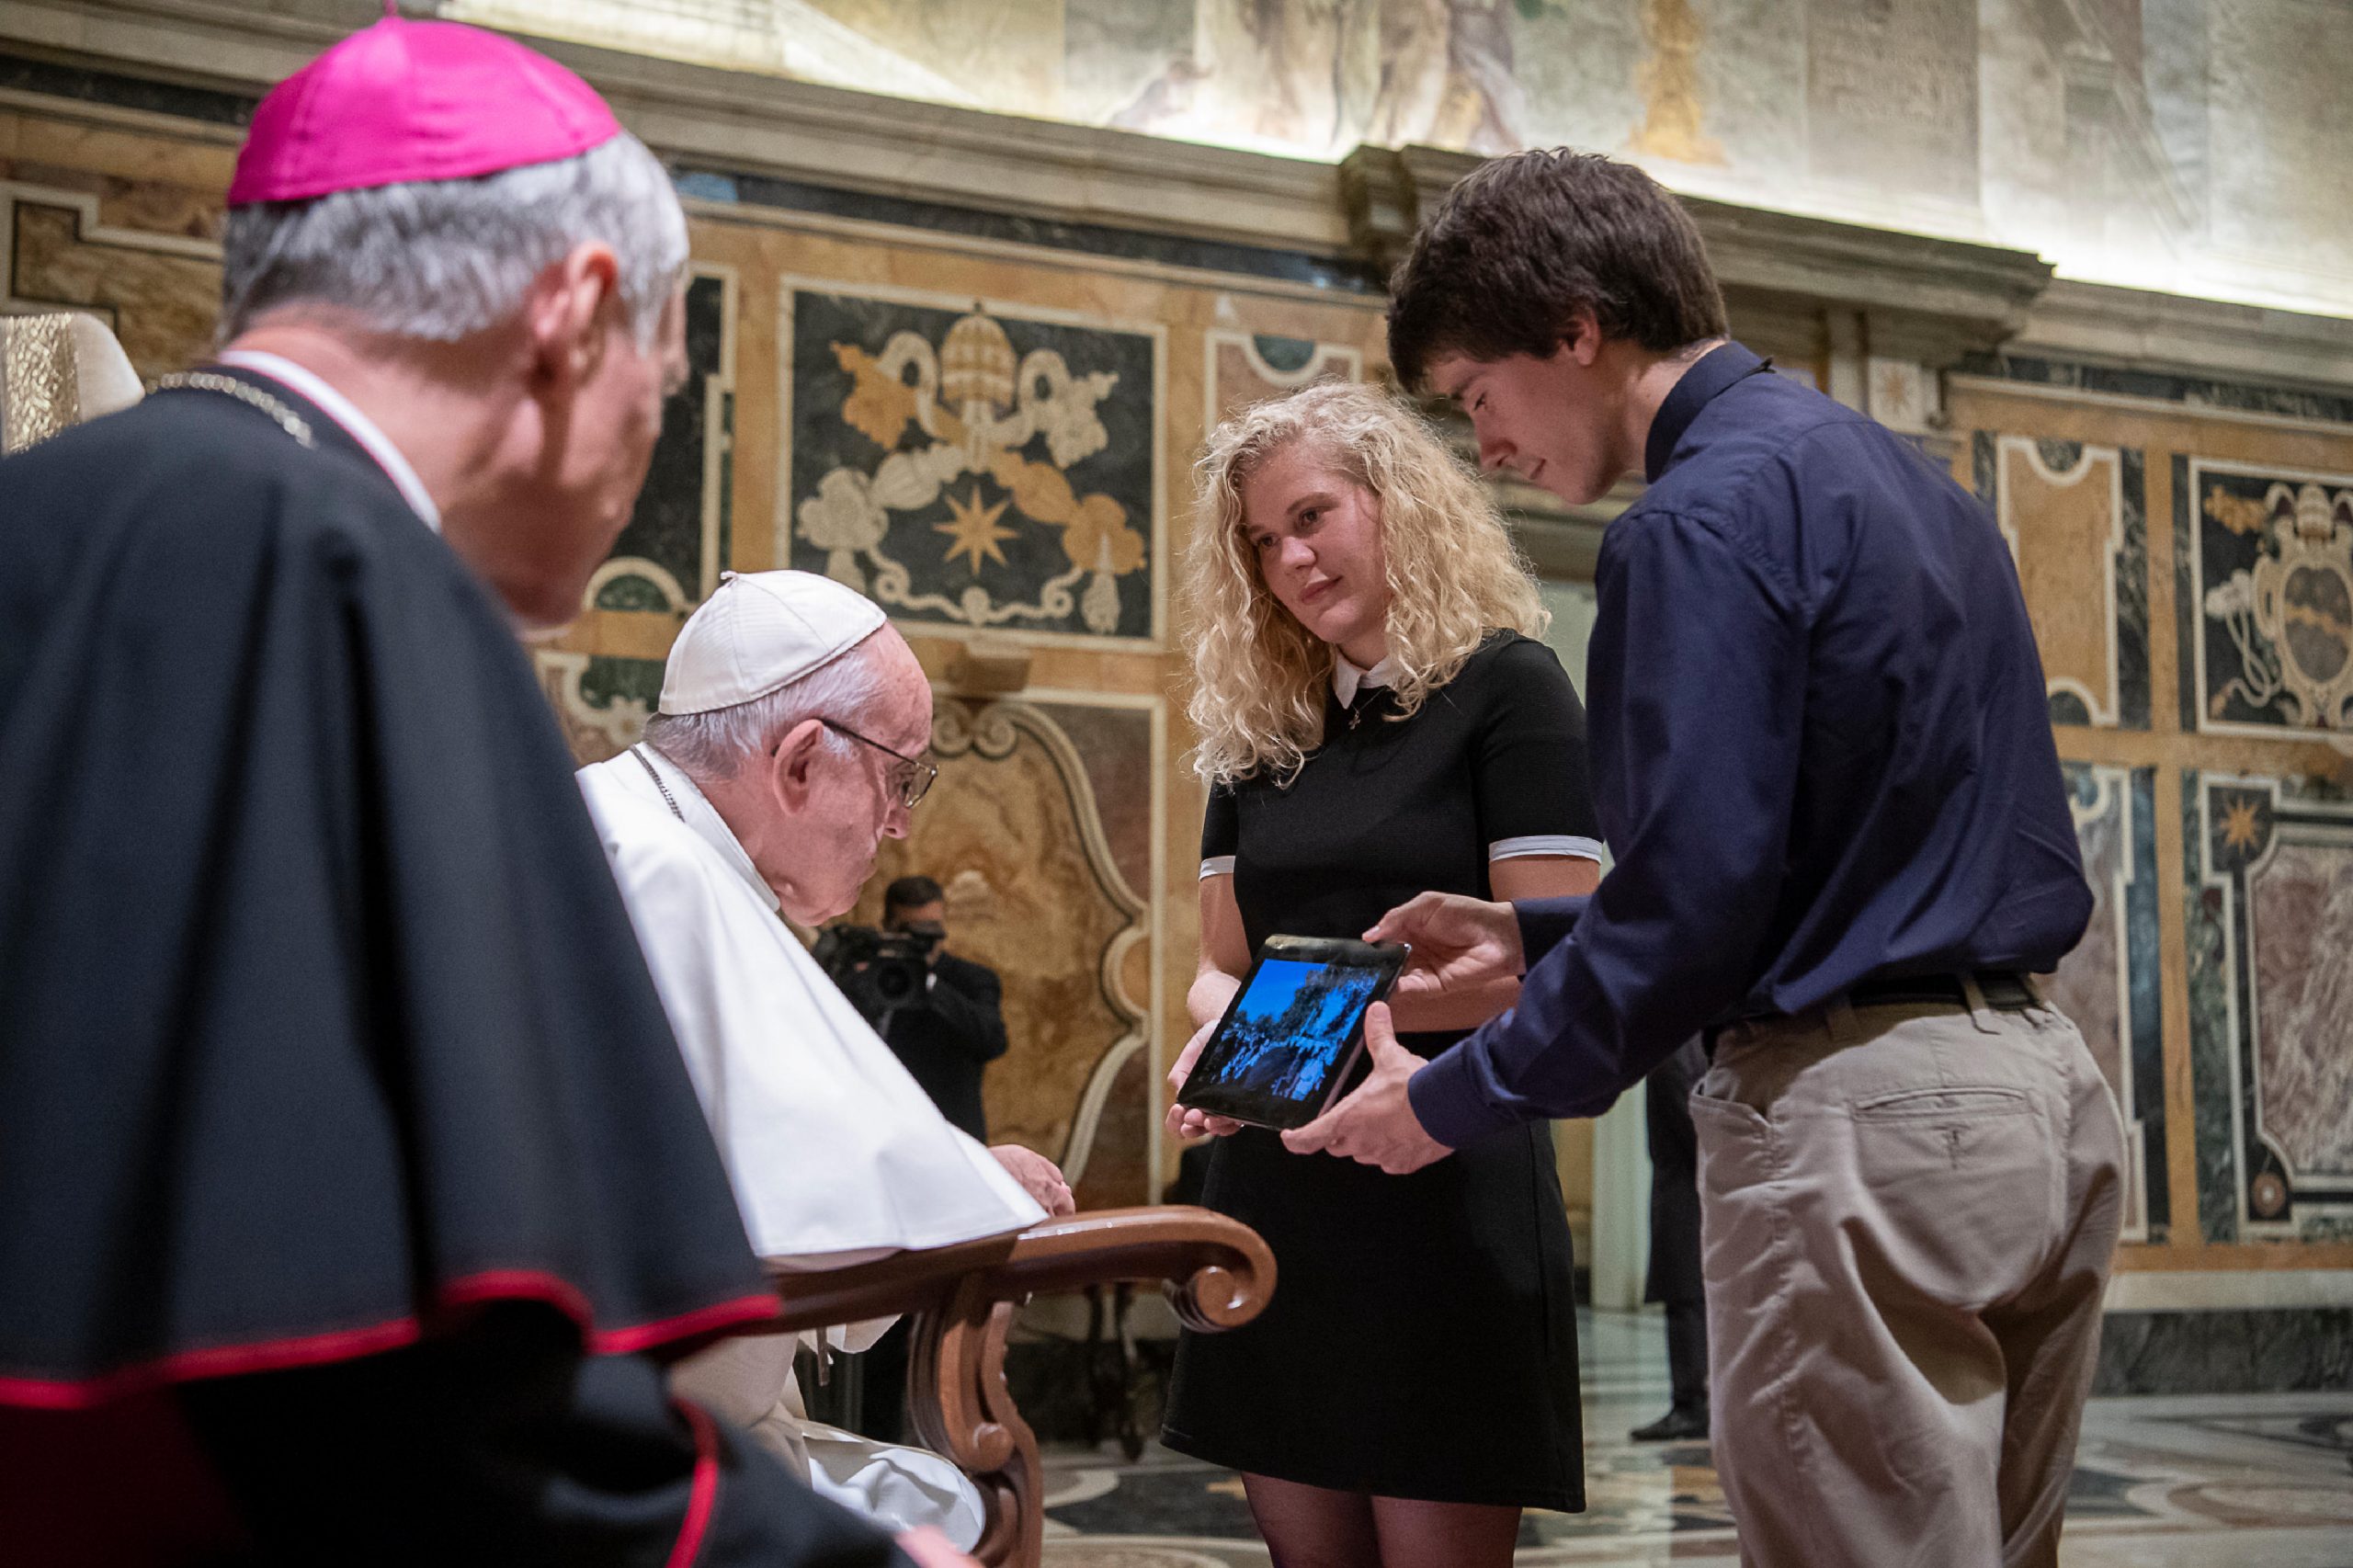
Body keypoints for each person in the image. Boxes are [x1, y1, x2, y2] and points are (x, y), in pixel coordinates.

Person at [0, 16, 964, 1566]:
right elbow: (387, 1364)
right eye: (660, 380)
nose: (642, 447)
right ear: (574, 315)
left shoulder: (44, 515)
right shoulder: (361, 586)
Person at [1292, 149, 2125, 1568]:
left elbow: (1695, 907)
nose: (1484, 447)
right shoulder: (1905, 485)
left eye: (1478, 397)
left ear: (1576, 325)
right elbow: (1836, 846)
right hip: (2041, 1103)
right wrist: (1537, 942)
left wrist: (1449, 1099)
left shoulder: (1692, 519)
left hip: (1864, 1124)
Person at [1159, 381, 1602, 1568]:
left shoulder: (1510, 687)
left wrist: (1310, 1020)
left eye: (1311, 516)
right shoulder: (1260, 729)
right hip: (1275, 1181)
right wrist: (1219, 1039)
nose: (1289, 559)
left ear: (1396, 504)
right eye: (1261, 540)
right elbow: (1220, 963)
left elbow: (1560, 955)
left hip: (1440, 1168)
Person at [576, 569, 1074, 1545]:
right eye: (902, 777)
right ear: (802, 760)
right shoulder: (664, 878)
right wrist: (984, 1196)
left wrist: (959, 1177)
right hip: (653, 1463)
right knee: (958, 1508)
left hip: (665, 1416)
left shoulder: (629, 829)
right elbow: (805, 1229)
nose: (900, 823)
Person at [869, 875, 1010, 1142]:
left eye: (930, 930)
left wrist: (926, 981)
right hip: (878, 1128)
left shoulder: (970, 980)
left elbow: (992, 1040)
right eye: (909, 931)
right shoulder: (870, 977)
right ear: (888, 927)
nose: (922, 941)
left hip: (948, 1136)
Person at [1631, 1040, 1709, 1442]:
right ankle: (1692, 1399)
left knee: (1688, 1299)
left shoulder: (1676, 1047)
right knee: (1685, 1297)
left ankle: (1693, 1401)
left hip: (1689, 1194)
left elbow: (1693, 1124)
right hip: (1683, 1187)